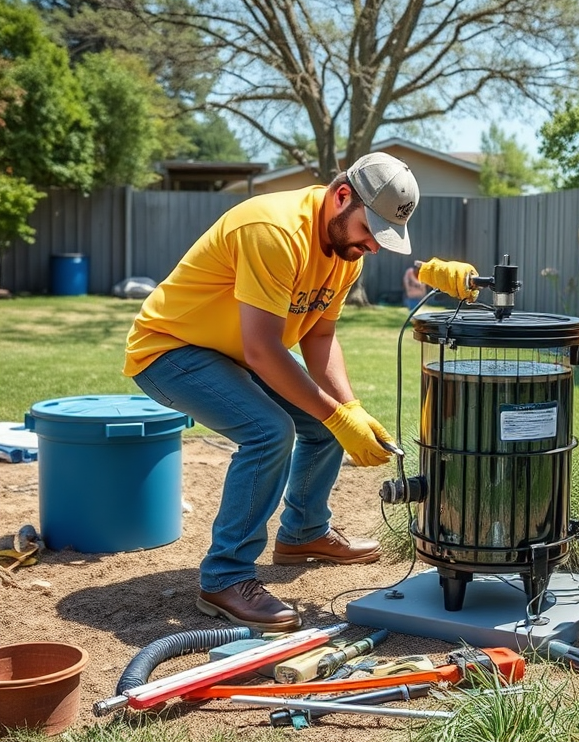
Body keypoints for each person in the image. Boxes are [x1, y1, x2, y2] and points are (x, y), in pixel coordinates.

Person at [123, 152, 476, 632]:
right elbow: (265, 350)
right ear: (341, 196)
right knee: (270, 431)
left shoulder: (346, 253)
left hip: (236, 351)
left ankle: (304, 533)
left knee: (324, 420)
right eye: (370, 230)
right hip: (172, 349)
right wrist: (336, 414)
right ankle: (224, 578)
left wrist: (347, 409)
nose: (373, 246)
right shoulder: (274, 231)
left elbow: (319, 337)